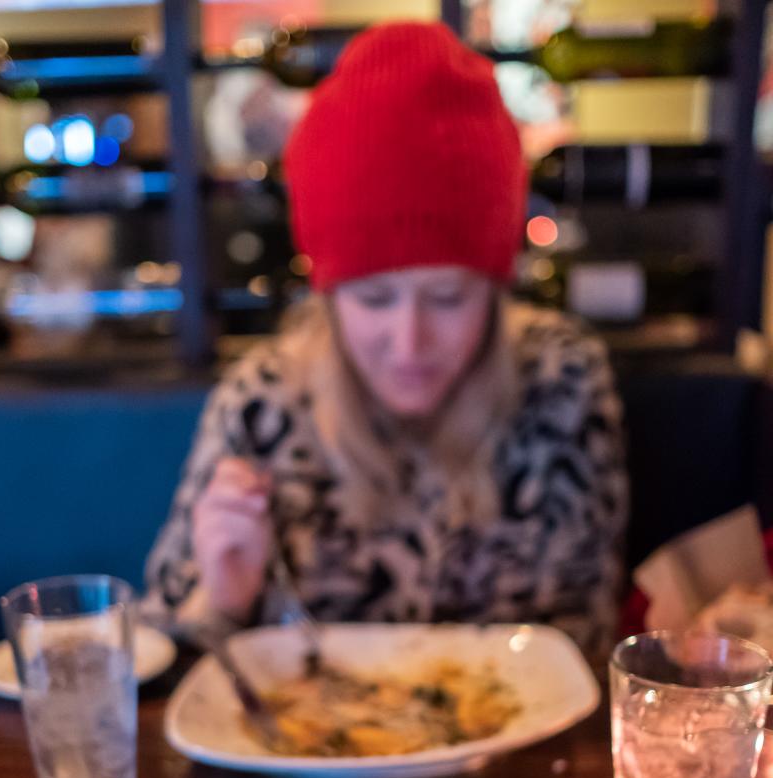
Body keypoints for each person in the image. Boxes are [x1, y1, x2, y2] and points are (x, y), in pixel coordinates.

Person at [145, 21, 627, 653]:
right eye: (374, 298)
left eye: (448, 297)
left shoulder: (562, 381)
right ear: (327, 293)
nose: (409, 343)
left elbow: (584, 648)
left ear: (497, 286)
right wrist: (224, 600)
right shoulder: (261, 400)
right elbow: (152, 666)